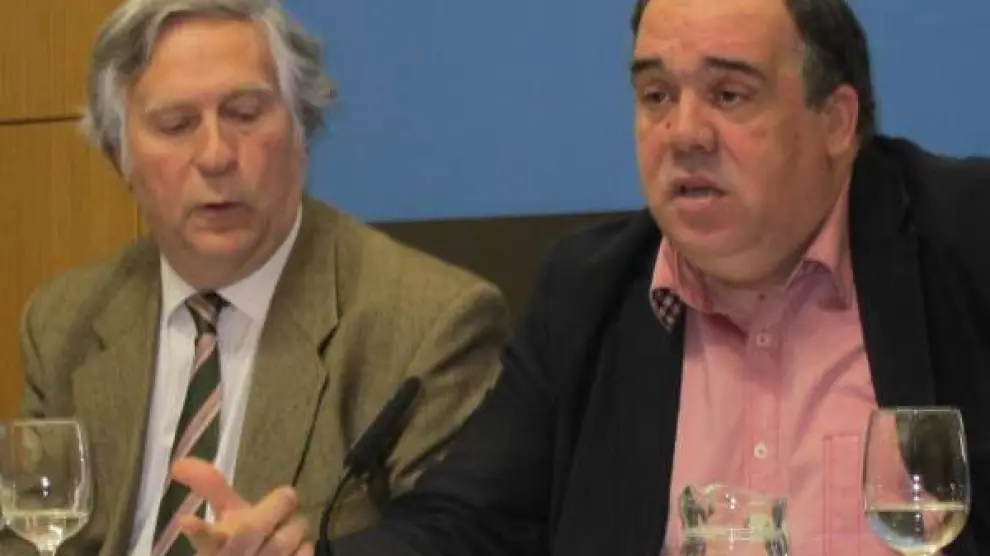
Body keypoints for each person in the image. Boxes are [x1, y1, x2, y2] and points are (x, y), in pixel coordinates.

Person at [171, 0, 990, 554]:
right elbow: (465, 524)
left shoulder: (964, 241)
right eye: (656, 95)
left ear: (836, 121)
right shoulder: (593, 291)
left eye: (729, 94)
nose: (684, 133)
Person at [0, 0, 510, 555]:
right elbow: (24, 536)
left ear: (301, 132)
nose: (216, 155)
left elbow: (462, 544)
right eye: (176, 125)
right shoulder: (64, 319)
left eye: (244, 114)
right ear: (119, 155)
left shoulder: (429, 324)